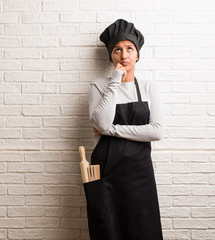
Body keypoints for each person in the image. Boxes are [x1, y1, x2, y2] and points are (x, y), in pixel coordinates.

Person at [84, 19, 164, 240]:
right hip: (106, 174)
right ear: (111, 56)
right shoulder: (99, 86)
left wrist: (112, 130)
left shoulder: (149, 87)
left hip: (139, 176)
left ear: (137, 54)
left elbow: (156, 131)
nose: (123, 55)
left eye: (129, 48)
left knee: (144, 230)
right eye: (117, 50)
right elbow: (100, 123)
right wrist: (115, 81)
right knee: (108, 230)